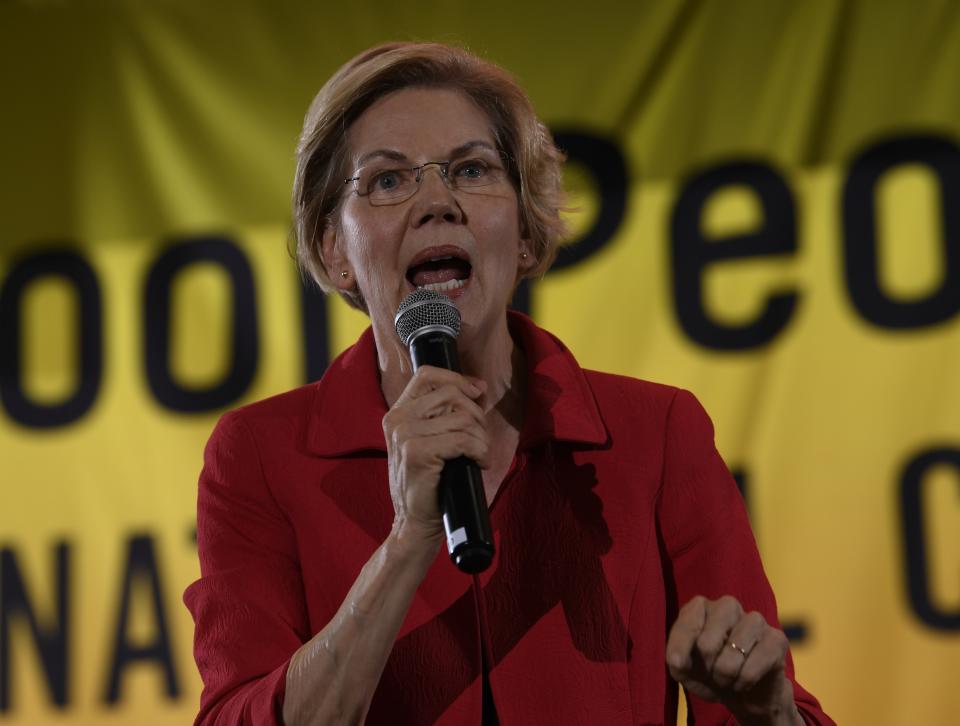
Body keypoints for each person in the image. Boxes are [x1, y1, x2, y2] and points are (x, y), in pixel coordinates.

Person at [184, 42, 833, 725]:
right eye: (386, 181)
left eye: (471, 169)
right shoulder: (258, 457)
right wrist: (409, 540)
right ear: (334, 251)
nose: (438, 202)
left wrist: (769, 712)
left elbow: (766, 699)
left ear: (525, 232)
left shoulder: (656, 434)